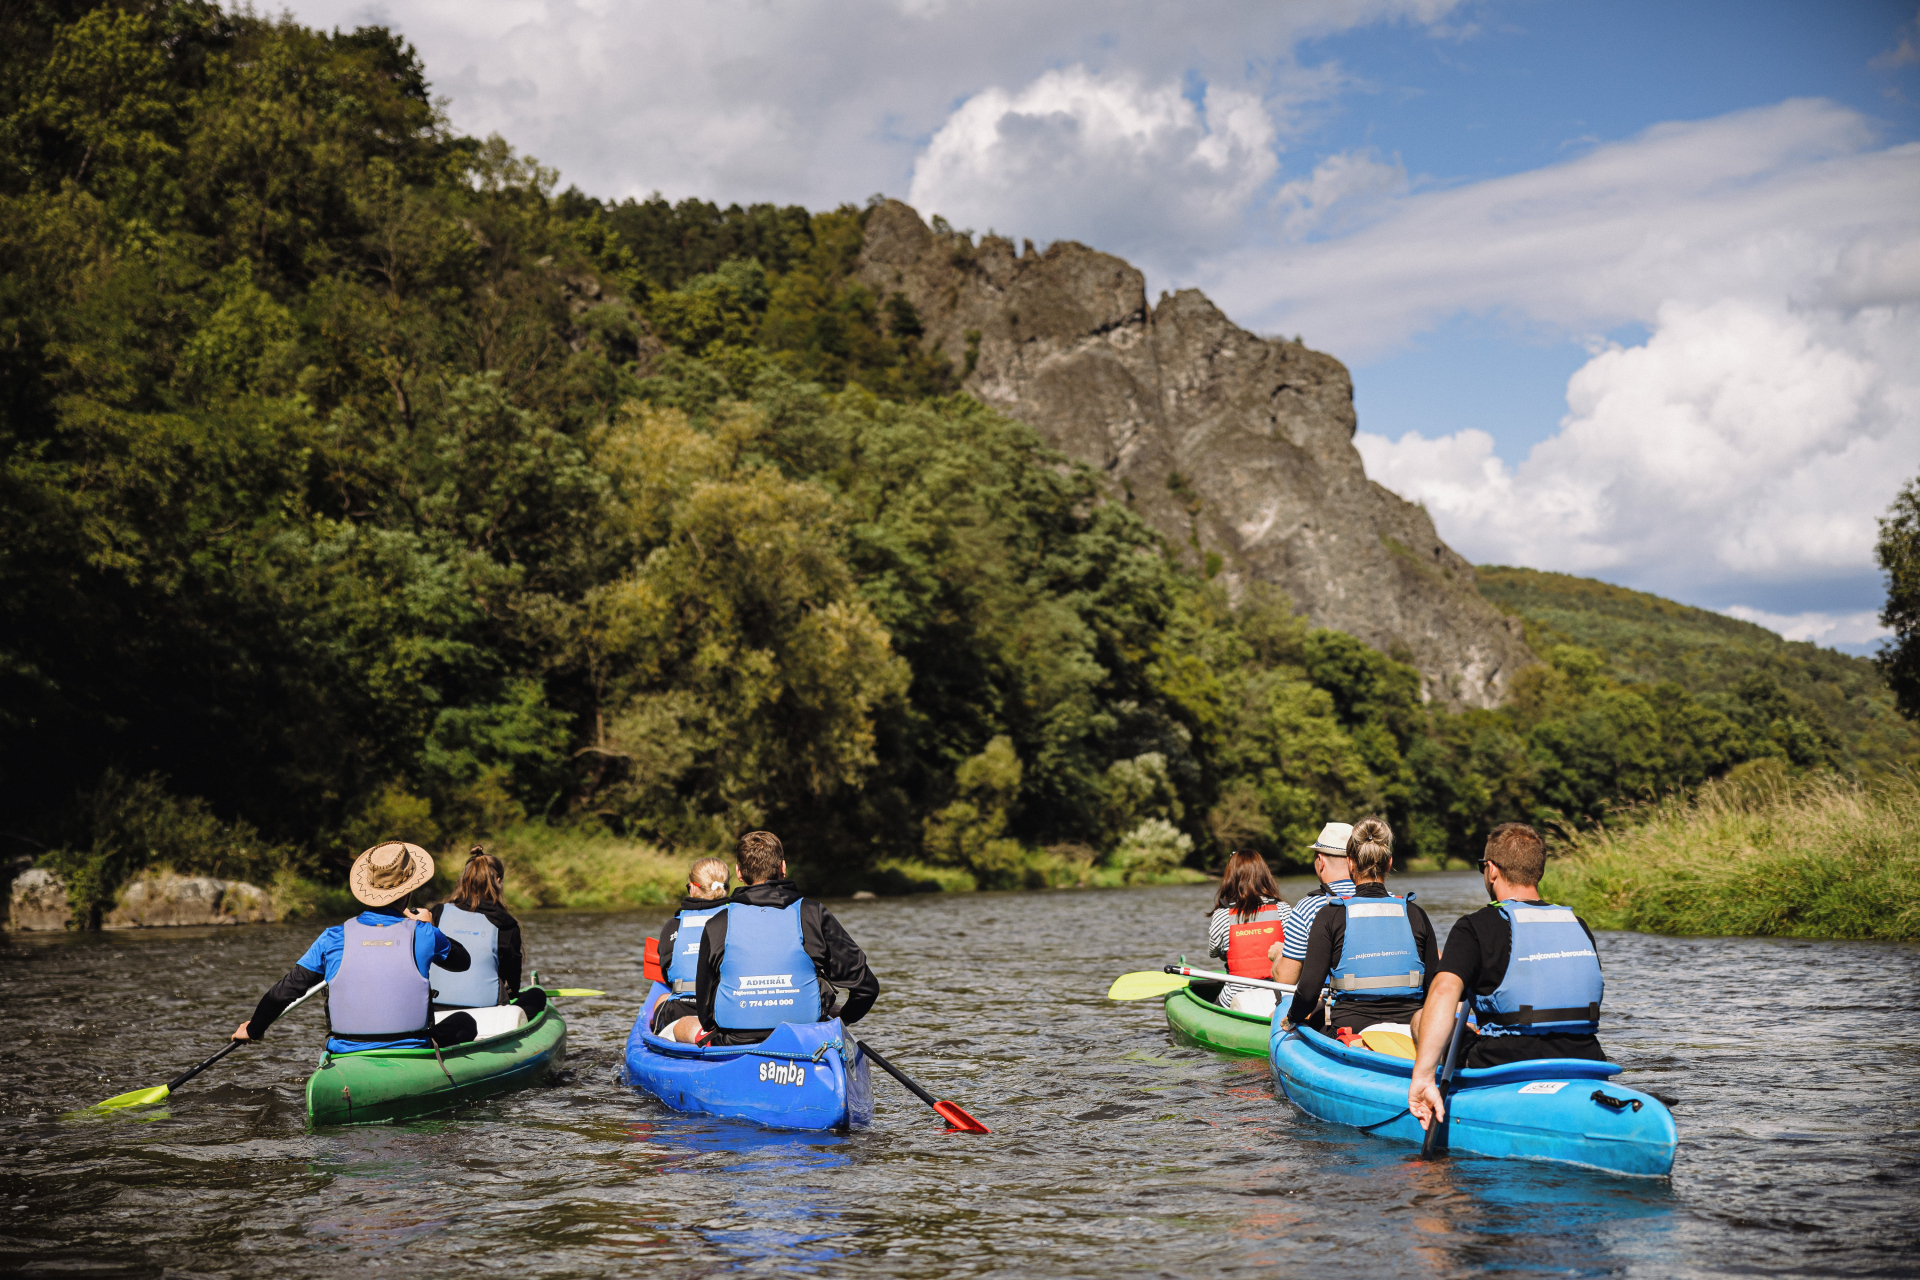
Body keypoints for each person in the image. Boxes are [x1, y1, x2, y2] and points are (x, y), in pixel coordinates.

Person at [1409, 823, 1607, 1132]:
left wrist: (1422, 1078)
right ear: (1538, 872)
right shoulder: (1577, 924)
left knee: (1421, 1018)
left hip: (1505, 1064)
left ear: (1491, 870)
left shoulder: (1474, 927)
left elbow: (1444, 991)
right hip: (1585, 1058)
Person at [231, 841, 494, 1052]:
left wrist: (254, 1028)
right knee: (465, 1022)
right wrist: (429, 926)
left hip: (346, 1049)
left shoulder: (333, 937)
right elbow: (463, 962)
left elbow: (284, 991)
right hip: (411, 1048)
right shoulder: (424, 934)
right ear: (408, 892)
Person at [660, 830, 880, 1047]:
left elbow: (706, 1013)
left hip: (734, 1043)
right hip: (805, 1041)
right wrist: (843, 1020)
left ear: (739, 873)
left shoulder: (717, 924)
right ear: (783, 868)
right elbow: (866, 988)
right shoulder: (813, 915)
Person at [1281, 817, 1438, 1035]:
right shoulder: (1415, 914)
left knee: (1312, 1016)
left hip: (1349, 1029)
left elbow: (1307, 993)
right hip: (1409, 1027)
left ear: (1351, 863)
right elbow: (1435, 986)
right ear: (1389, 863)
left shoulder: (1330, 915)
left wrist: (1292, 1018)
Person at [427, 847, 523, 1010]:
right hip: (486, 1009)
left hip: (436, 1005)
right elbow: (513, 982)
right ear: (498, 880)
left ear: (464, 880)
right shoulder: (506, 924)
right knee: (537, 995)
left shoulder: (437, 912)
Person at [647, 857, 731, 1042]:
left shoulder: (673, 925)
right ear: (727, 888)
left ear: (693, 888)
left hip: (683, 1008)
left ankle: (698, 1035)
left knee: (662, 999)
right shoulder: (739, 919)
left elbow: (668, 974)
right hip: (728, 1007)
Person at [1268, 822, 1358, 988]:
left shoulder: (1307, 907)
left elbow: (1286, 979)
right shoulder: (1388, 899)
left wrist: (1278, 955)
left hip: (1334, 1001)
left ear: (1321, 861)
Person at [1205, 850, 1288, 1016]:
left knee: (1211, 1009)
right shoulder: (1283, 909)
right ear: (1264, 875)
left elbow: (1213, 952)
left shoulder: (1222, 915)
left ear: (1231, 878)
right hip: (1279, 995)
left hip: (1236, 997)